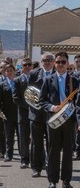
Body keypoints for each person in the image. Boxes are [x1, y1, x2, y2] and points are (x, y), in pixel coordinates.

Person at [39, 51, 79, 188]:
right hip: (54, 120)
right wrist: (51, 107)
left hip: (69, 121)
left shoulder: (74, 80)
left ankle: (66, 181)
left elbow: (78, 102)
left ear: (68, 64)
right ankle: (52, 180)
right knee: (53, 151)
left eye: (63, 62)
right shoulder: (47, 80)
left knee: (68, 151)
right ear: (54, 64)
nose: (61, 64)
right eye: (58, 62)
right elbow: (41, 101)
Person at [28, 53, 55, 177]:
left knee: (52, 142)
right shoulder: (34, 73)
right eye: (45, 60)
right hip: (36, 113)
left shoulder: (57, 73)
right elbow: (29, 93)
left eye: (50, 60)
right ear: (41, 61)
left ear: (53, 61)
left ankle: (51, 167)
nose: (47, 62)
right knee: (36, 142)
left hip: (52, 113)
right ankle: (36, 168)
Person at [0, 64, 19, 162]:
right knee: (9, 136)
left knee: (21, 136)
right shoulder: (1, 85)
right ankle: (9, 155)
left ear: (14, 71)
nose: (9, 72)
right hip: (7, 114)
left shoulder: (19, 83)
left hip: (19, 113)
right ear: (5, 72)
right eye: (7, 71)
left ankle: (23, 156)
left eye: (11, 70)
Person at [12, 57, 33, 169]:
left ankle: (39, 160)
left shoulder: (37, 79)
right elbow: (15, 98)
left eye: (29, 64)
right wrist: (29, 106)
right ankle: (24, 160)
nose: (27, 67)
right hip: (23, 112)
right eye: (25, 65)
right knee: (23, 137)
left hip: (36, 113)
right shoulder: (17, 80)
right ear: (21, 67)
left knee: (36, 138)